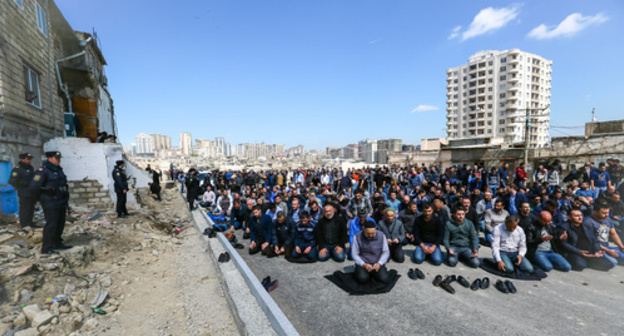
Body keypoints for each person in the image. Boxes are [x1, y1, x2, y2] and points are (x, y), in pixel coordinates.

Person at [28, 151, 71, 254]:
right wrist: (40, 198)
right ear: (50, 158)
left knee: (60, 223)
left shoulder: (59, 170)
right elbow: (34, 187)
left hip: (60, 200)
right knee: (51, 224)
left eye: (59, 158)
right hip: (50, 201)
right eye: (56, 158)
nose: (59, 160)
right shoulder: (43, 171)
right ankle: (47, 248)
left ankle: (57, 243)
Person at [588, 201, 624, 266]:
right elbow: (591, 241)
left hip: (606, 246)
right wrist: (607, 250)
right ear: (595, 212)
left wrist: (621, 247)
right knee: (613, 263)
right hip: (596, 248)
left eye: (608, 213)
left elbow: (614, 234)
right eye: (604, 213)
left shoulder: (608, 220)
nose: (607, 215)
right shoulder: (588, 221)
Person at [9, 153, 36, 229]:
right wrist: (21, 185)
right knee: (25, 209)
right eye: (28, 159)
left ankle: (30, 223)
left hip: (31, 191)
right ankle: (24, 225)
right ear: (22, 159)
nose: (30, 160)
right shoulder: (17, 169)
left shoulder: (30, 168)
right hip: (24, 191)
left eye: (30, 159)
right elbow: (12, 181)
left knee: (31, 208)